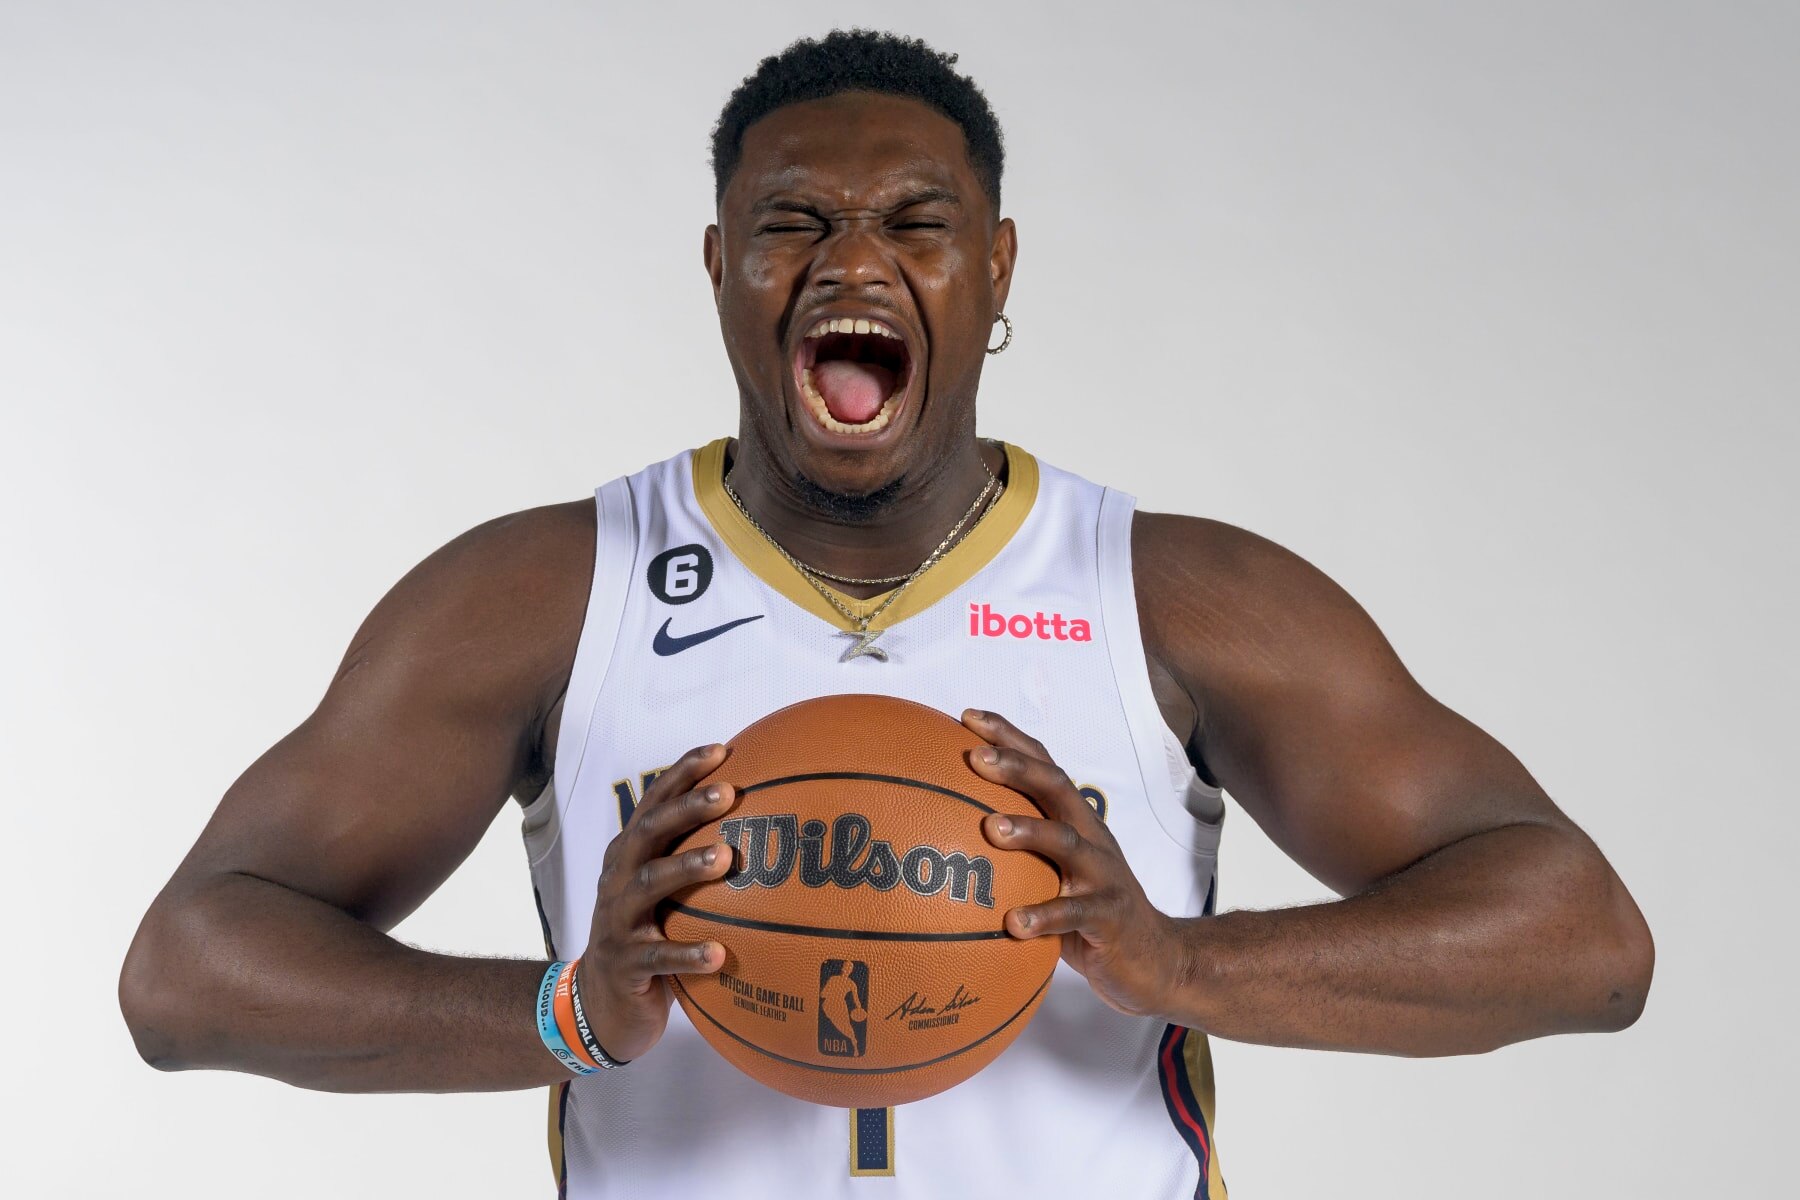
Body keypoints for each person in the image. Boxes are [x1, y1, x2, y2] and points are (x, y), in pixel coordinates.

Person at [118, 29, 1653, 1199]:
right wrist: (569, 1014)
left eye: (918, 225)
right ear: (723, 271)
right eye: (793, 224)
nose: (853, 261)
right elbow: (184, 974)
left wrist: (1184, 970)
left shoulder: (1181, 597)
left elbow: (1583, 943)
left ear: (993, 274)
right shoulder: (542, 595)